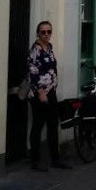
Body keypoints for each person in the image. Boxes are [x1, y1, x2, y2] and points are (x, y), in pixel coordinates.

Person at [27, 21, 70, 171]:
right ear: (38, 33)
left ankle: (55, 159)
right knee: (38, 125)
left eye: (49, 32)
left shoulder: (49, 48)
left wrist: (53, 87)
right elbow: (33, 72)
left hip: (50, 92)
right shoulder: (35, 50)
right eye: (43, 32)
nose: (46, 34)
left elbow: (52, 69)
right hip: (38, 93)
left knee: (52, 125)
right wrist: (40, 92)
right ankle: (35, 161)